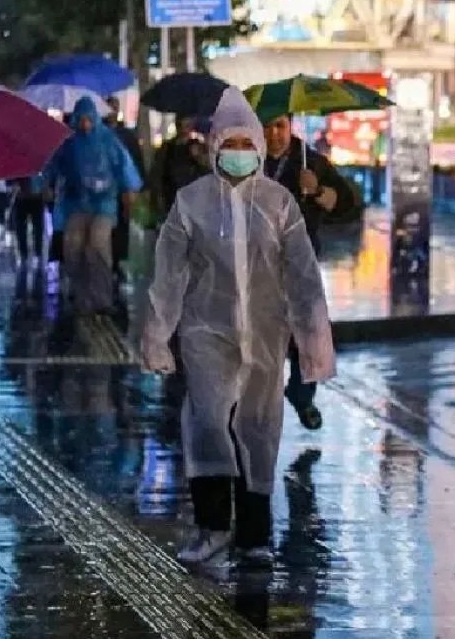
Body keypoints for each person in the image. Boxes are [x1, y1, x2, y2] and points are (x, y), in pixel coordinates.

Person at [141, 88, 335, 566]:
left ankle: (254, 537)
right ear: (214, 146)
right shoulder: (192, 202)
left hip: (266, 332)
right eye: (231, 144)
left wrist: (313, 338)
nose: (239, 153)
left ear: (260, 149)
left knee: (259, 429)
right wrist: (157, 334)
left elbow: (303, 275)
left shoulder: (279, 202)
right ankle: (212, 526)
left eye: (248, 145)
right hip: (206, 332)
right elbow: (168, 273)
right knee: (208, 422)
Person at [262, 113, 358, 431]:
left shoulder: (311, 161)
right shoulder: (248, 160)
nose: (273, 134)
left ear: (290, 126)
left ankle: (302, 396)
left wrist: (316, 191)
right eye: (266, 126)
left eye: (280, 126)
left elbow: (347, 204)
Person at [41, 96, 142, 316]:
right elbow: (53, 166)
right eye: (81, 119)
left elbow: (123, 166)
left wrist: (129, 191)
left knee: (98, 245)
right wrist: (47, 185)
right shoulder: (69, 143)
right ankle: (80, 295)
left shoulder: (108, 140)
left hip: (104, 204)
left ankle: (102, 297)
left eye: (88, 119)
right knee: (73, 248)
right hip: (75, 204)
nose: (85, 124)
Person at [104, 97, 146, 273]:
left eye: (114, 108)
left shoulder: (127, 136)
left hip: (123, 190)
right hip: (105, 190)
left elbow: (136, 161)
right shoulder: (100, 134)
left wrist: (136, 187)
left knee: (122, 225)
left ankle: (118, 260)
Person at [151, 115, 213, 217]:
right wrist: (157, 197)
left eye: (187, 125)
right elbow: (158, 172)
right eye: (181, 125)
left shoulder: (197, 146)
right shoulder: (167, 147)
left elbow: (208, 170)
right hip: (172, 198)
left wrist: (199, 157)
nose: (184, 129)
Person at [7, 176, 47, 261]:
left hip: (33, 196)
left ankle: (34, 253)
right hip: (25, 196)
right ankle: (27, 253)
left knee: (36, 227)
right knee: (24, 228)